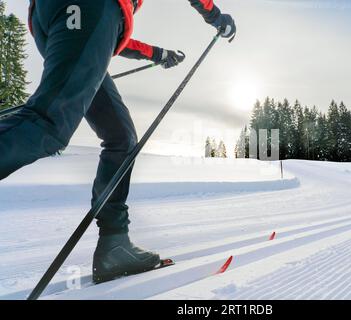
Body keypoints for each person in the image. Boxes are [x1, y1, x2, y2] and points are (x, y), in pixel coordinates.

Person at [0, 0, 236, 283]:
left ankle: (115, 245)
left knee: (121, 137)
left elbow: (103, 35)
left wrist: (157, 53)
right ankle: (114, 244)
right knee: (48, 122)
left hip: (56, 17)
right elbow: (99, 20)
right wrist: (215, 16)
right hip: (85, 8)